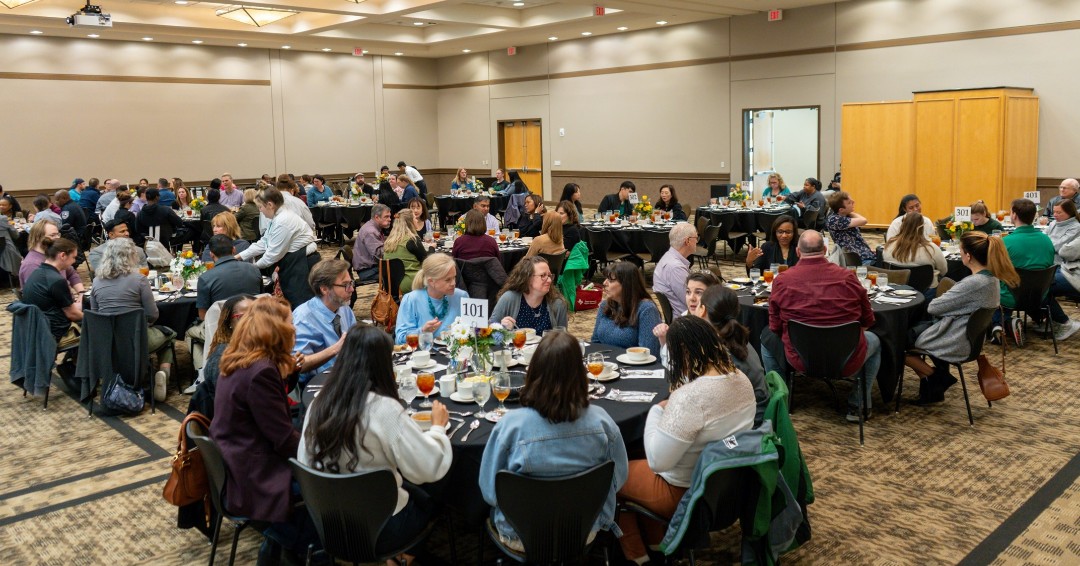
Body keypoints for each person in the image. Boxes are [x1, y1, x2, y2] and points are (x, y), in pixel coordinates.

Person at [300, 324, 451, 559]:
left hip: (328, 521)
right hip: (381, 527)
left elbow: (304, 460)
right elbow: (428, 467)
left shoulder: (319, 402)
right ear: (382, 363)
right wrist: (438, 429)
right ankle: (403, 557)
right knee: (434, 495)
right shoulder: (384, 409)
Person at [615, 316, 755, 564]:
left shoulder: (690, 397)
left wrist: (657, 411)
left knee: (613, 471)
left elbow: (658, 462)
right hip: (728, 487)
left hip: (684, 492)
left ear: (684, 354)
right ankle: (658, 542)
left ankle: (636, 555)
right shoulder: (741, 380)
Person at [480, 330, 628, 553]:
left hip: (520, 535)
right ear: (580, 373)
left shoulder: (509, 427)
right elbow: (617, 480)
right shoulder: (603, 423)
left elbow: (490, 493)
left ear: (533, 372)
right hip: (583, 530)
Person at [211, 296, 318, 563]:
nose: (294, 329)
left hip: (236, 457)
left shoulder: (240, 357)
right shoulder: (261, 372)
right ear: (276, 330)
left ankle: (281, 541)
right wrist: (319, 457)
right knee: (330, 484)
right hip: (255, 471)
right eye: (291, 324)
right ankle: (303, 546)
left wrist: (289, 371)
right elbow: (282, 440)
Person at [763, 230, 879, 422]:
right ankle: (858, 405)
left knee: (766, 339)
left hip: (800, 358)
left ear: (798, 252)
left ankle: (781, 399)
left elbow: (774, 326)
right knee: (875, 340)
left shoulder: (783, 280)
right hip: (847, 357)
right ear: (825, 250)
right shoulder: (848, 277)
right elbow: (868, 319)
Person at [905, 232, 1020, 404]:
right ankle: (933, 384)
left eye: (961, 251)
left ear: (968, 256)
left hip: (955, 338)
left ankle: (936, 376)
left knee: (896, 342)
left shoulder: (974, 283)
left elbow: (933, 307)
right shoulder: (992, 279)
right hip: (969, 338)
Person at [89, 238, 176, 401]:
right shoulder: (139, 280)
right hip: (136, 340)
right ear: (131, 256)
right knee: (169, 335)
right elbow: (152, 314)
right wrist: (142, 325)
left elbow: (96, 316)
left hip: (107, 343)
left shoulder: (96, 282)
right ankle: (163, 373)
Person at [698, 285, 770, 425]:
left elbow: (710, 406)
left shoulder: (721, 356)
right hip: (755, 414)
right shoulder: (736, 339)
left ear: (702, 311)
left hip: (749, 425)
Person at [238, 187, 318, 307]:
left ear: (270, 205)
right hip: (296, 260)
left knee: (300, 302)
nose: (260, 211)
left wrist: (252, 268)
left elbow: (272, 256)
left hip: (303, 263)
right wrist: (239, 256)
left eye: (260, 207)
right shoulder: (277, 217)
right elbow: (264, 242)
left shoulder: (282, 221)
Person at [995, 198, 1055, 347]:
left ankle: (1004, 323)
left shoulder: (1005, 242)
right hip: (1039, 295)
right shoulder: (1046, 240)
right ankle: (1004, 323)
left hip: (1011, 297)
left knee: (987, 283)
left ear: (1013, 215)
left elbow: (993, 271)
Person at [293, 260, 358, 385]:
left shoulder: (344, 309)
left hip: (348, 378)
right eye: (345, 285)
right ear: (324, 289)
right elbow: (298, 365)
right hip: (320, 387)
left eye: (351, 283)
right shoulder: (303, 318)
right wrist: (335, 349)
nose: (351, 289)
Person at [187, 294, 254, 414]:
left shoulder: (259, 348)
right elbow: (230, 407)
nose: (251, 321)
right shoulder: (223, 359)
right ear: (229, 322)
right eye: (242, 317)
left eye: (257, 315)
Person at [21, 237, 83, 349]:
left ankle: (74, 362)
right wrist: (91, 318)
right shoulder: (57, 280)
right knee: (98, 327)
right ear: (62, 255)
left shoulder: (37, 273)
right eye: (73, 257)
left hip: (38, 327)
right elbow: (72, 314)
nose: (74, 262)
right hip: (55, 331)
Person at [590, 261, 662, 355]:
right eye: (606, 279)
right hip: (607, 365)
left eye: (611, 280)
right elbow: (595, 342)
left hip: (635, 367)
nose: (604, 283)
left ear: (626, 285)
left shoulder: (646, 309)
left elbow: (649, 353)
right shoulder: (606, 305)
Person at [395, 253, 468, 343]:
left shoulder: (461, 296)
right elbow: (400, 339)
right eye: (448, 280)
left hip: (456, 354)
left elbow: (473, 331)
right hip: (423, 353)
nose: (453, 283)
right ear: (431, 281)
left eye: (454, 277)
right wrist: (422, 331)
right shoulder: (411, 299)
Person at [491, 256, 569, 333]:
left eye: (549, 276)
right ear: (528, 278)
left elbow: (562, 339)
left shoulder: (557, 304)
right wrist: (502, 328)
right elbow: (488, 332)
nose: (549, 280)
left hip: (546, 346)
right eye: (543, 276)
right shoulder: (509, 298)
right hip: (517, 345)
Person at [883, 212, 948, 299]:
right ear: (921, 228)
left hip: (896, 290)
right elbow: (944, 270)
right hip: (926, 292)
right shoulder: (931, 249)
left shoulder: (889, 245)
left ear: (902, 225)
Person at [20, 220, 85, 292]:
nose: (57, 238)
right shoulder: (31, 264)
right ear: (38, 237)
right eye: (52, 235)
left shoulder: (54, 253)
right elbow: (38, 295)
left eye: (58, 234)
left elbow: (71, 273)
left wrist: (81, 293)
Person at [651, 222, 697, 316]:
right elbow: (692, 300)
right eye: (696, 238)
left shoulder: (669, 257)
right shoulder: (675, 268)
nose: (697, 241)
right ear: (687, 241)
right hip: (687, 320)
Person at [383, 210, 428, 294]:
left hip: (390, 283)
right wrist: (432, 248)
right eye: (415, 218)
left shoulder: (389, 241)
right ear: (410, 222)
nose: (417, 220)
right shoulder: (412, 240)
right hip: (409, 282)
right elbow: (427, 260)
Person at [825, 191, 875, 265]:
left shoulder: (845, 216)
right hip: (860, 260)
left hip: (863, 254)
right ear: (841, 210)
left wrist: (868, 249)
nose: (853, 202)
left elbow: (856, 238)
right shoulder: (835, 220)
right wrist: (850, 212)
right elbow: (864, 220)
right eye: (849, 202)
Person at [352, 203, 391, 282]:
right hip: (368, 271)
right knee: (400, 272)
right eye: (386, 217)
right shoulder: (371, 232)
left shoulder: (372, 226)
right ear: (377, 217)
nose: (389, 219)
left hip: (370, 267)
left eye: (389, 216)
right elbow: (379, 255)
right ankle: (393, 294)